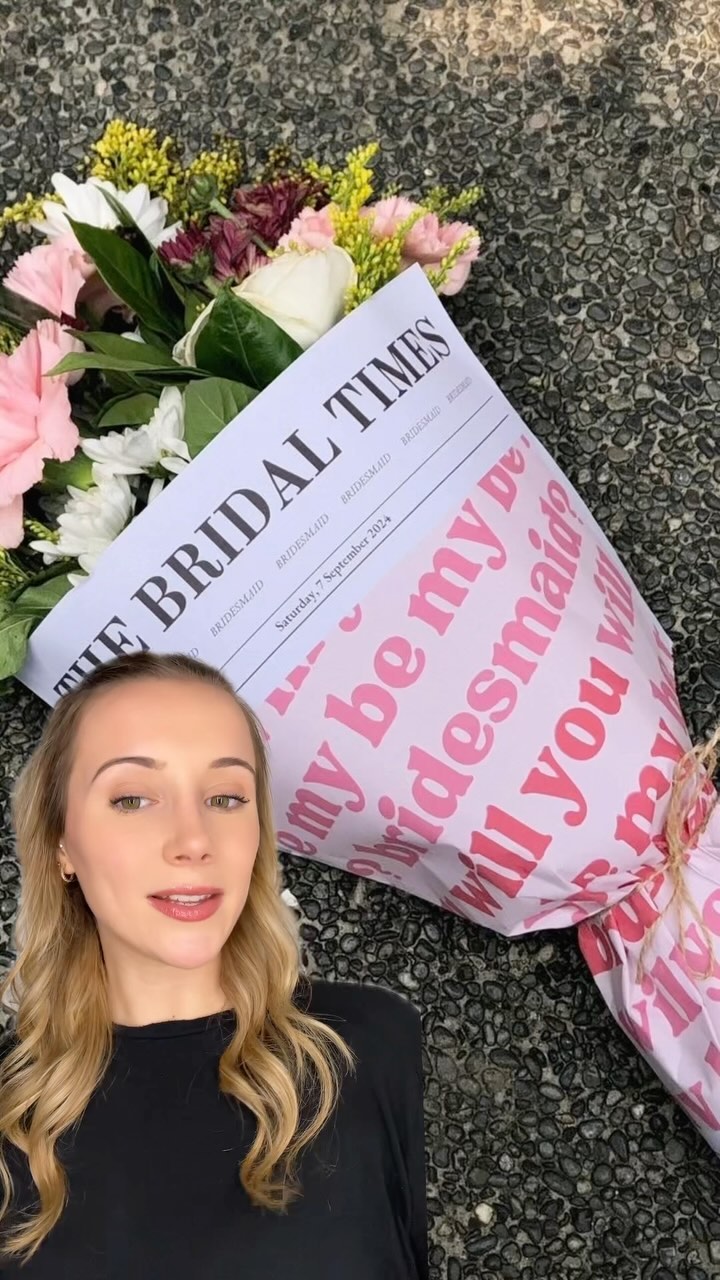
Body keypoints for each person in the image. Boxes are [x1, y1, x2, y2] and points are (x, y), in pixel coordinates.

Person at [0, 651, 427, 1279]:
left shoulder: (372, 1043)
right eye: (133, 799)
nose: (195, 840)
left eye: (226, 797)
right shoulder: (10, 1107)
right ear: (61, 841)